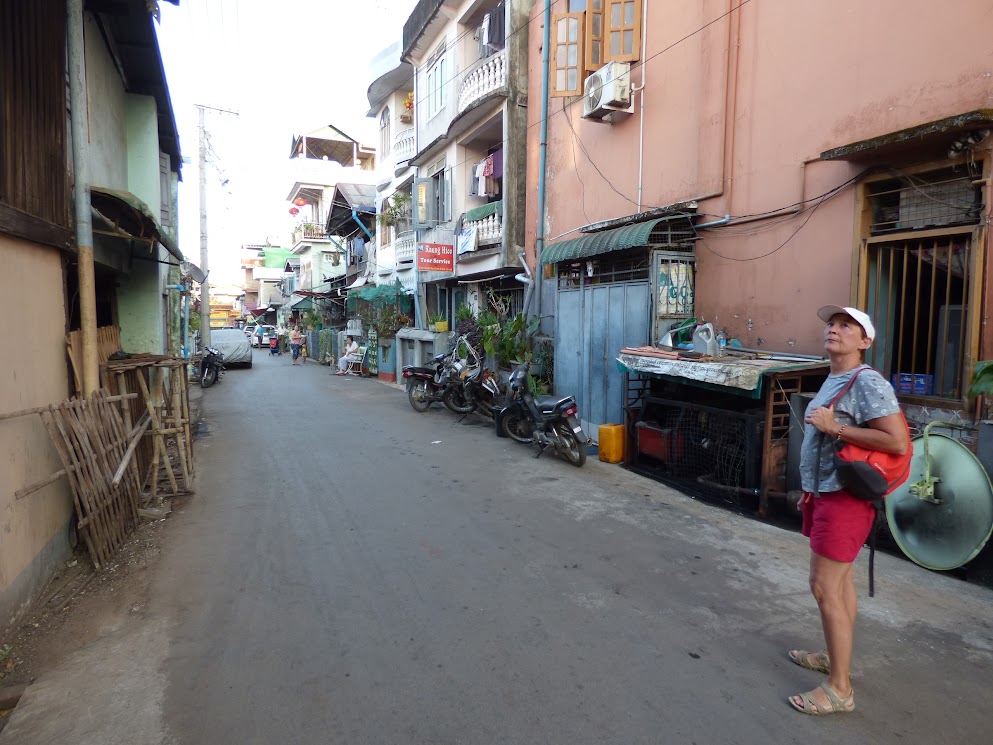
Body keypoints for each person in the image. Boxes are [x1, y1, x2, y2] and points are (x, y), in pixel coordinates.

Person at [788, 305, 909, 716]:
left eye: (846, 326)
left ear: (865, 341)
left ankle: (839, 688)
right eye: (832, 324)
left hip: (844, 498)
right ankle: (831, 654)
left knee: (824, 586)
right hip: (826, 492)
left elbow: (896, 442)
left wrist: (833, 427)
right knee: (840, 584)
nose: (834, 330)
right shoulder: (835, 378)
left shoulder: (867, 381)